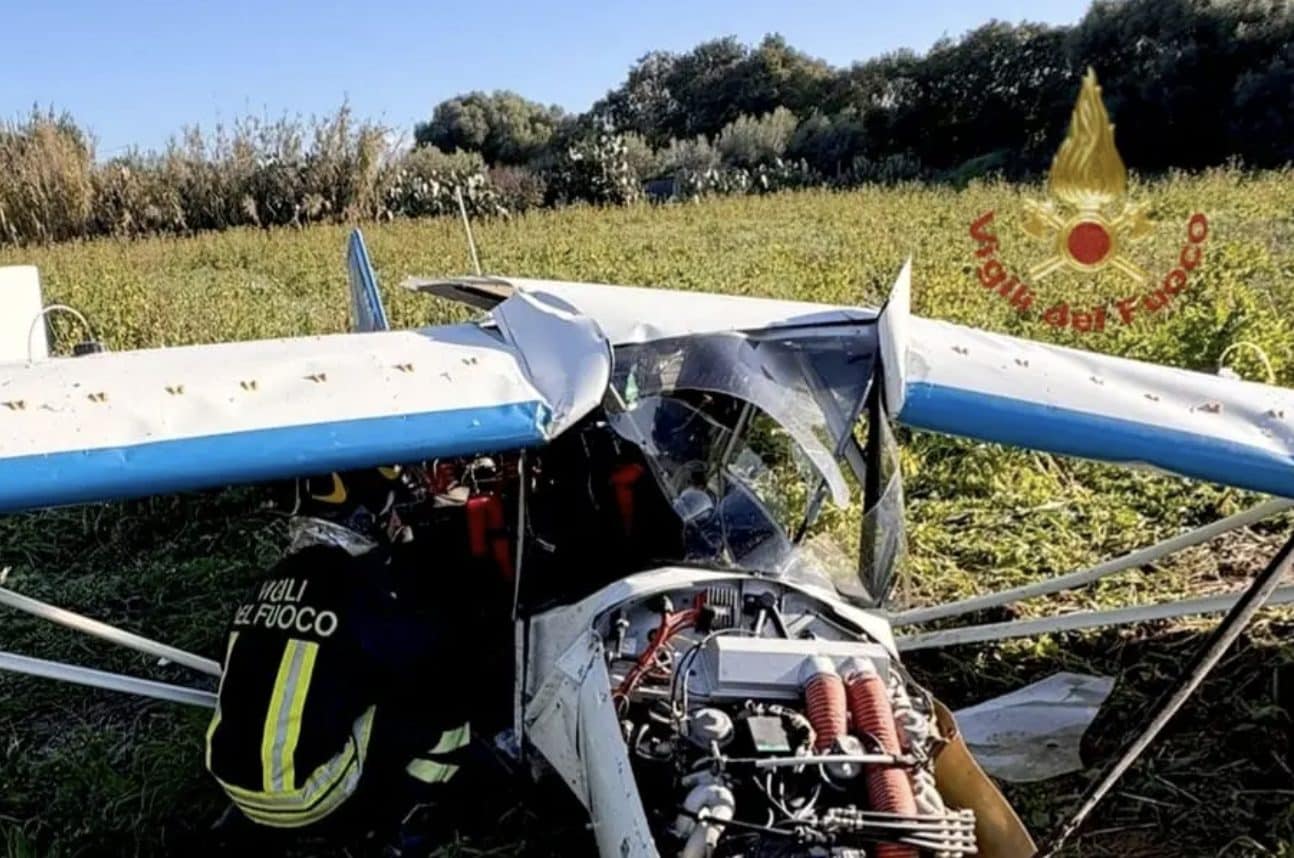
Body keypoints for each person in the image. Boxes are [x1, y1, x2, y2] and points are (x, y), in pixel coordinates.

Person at [205, 466, 473, 849]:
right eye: (392, 513)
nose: (396, 522)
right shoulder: (357, 585)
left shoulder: (270, 581)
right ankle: (410, 825)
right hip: (309, 798)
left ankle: (254, 820)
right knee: (448, 701)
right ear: (365, 517)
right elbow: (422, 654)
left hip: (233, 783)